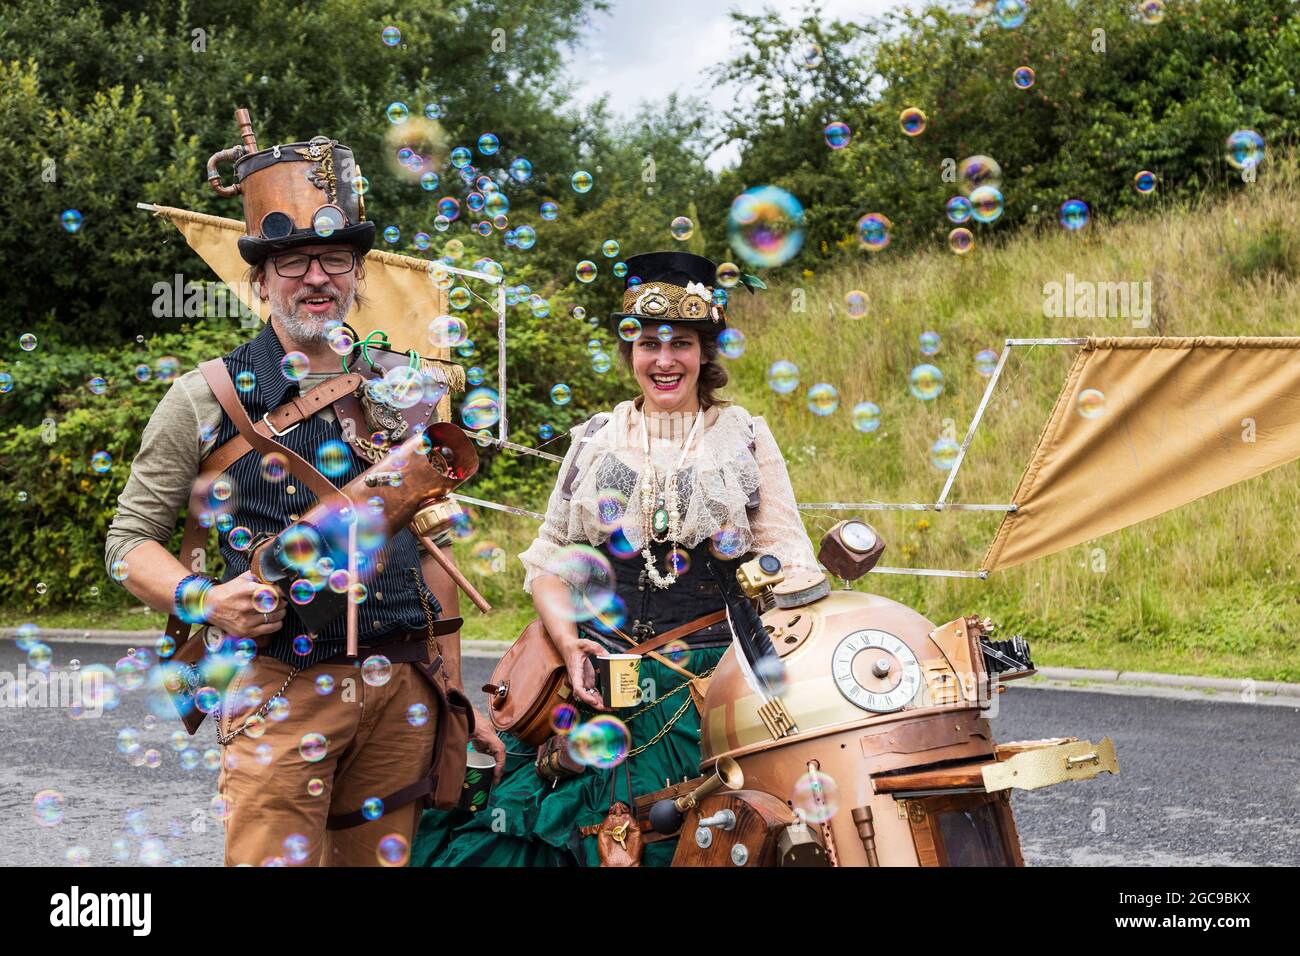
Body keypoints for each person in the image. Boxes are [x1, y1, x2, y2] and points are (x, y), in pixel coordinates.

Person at [105, 124, 503, 867]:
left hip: (402, 691)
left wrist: (453, 690)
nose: (316, 277)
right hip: (278, 686)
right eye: (292, 261)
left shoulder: (405, 388)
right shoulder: (205, 397)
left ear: (357, 274)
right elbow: (126, 545)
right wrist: (204, 599)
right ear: (259, 278)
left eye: (335, 258)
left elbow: (434, 549)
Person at [413, 251, 817, 866]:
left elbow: (789, 560)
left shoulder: (746, 438)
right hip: (595, 677)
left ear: (706, 352)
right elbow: (550, 565)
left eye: (681, 343)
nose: (663, 360)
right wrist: (572, 645)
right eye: (647, 343)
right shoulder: (595, 440)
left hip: (707, 683)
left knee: (694, 836)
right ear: (629, 352)